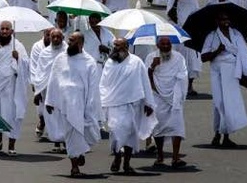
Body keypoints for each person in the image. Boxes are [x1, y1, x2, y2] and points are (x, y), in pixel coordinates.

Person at [45, 32, 101, 177]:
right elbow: (53, 79)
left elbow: (93, 86)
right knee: (70, 134)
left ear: (81, 44)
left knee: (81, 132)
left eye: (73, 41)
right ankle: (74, 166)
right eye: (69, 41)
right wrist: (50, 101)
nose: (69, 44)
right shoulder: (60, 58)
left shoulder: (89, 62)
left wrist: (91, 106)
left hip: (81, 103)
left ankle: (79, 152)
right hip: (64, 103)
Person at [99, 38, 156, 174]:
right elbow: (103, 83)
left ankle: (127, 163)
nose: (115, 48)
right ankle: (118, 156)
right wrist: (101, 101)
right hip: (114, 104)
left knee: (131, 134)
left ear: (126, 47)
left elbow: (145, 82)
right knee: (116, 132)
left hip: (133, 103)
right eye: (114, 46)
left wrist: (148, 102)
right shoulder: (109, 63)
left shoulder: (136, 62)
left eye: (118, 46)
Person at [201, 11, 247, 147]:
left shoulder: (236, 34)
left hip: (232, 71)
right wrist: (217, 51)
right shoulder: (212, 36)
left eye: (227, 19)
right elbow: (203, 57)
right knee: (219, 103)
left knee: (229, 103)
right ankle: (217, 133)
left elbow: (244, 53)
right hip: (217, 72)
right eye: (222, 19)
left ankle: (225, 136)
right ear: (217, 21)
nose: (226, 21)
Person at [0, 21, 29, 155]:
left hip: (11, 87)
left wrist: (18, 58)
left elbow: (27, 65)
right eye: (2, 29)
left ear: (12, 31)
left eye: (7, 29)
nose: (4, 31)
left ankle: (11, 145)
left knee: (13, 116)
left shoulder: (18, 46)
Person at [146, 36, 189, 169]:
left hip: (175, 96)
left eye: (168, 44)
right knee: (159, 128)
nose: (166, 46)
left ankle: (175, 158)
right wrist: (153, 66)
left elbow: (183, 74)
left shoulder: (178, 57)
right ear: (157, 46)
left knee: (177, 127)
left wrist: (178, 91)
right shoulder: (150, 57)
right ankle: (160, 157)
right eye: (163, 44)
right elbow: (145, 77)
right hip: (157, 96)